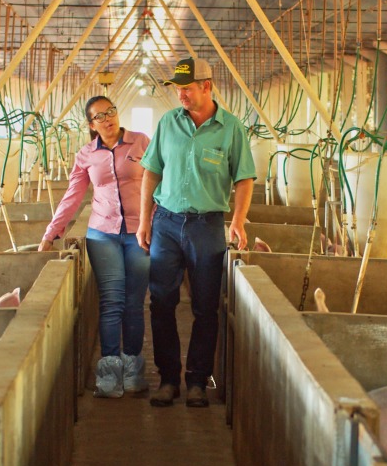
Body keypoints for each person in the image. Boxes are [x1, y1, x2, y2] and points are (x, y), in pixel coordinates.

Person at [136, 58, 256, 408]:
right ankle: (168, 379)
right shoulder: (167, 124)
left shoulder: (231, 128)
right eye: (178, 88)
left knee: (206, 306)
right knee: (161, 302)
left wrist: (237, 220)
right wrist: (145, 221)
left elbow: (244, 178)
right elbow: (151, 174)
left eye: (187, 88)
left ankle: (197, 382)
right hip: (167, 224)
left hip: (207, 226)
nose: (181, 95)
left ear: (207, 85)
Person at [41, 96, 151, 398]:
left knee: (134, 304)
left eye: (111, 111)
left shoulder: (141, 143)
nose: (108, 118)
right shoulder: (86, 155)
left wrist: (160, 223)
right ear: (91, 124)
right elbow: (73, 195)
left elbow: (160, 183)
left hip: (139, 233)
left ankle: (133, 373)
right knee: (112, 302)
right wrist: (52, 233)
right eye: (99, 116)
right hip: (102, 233)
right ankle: (109, 376)